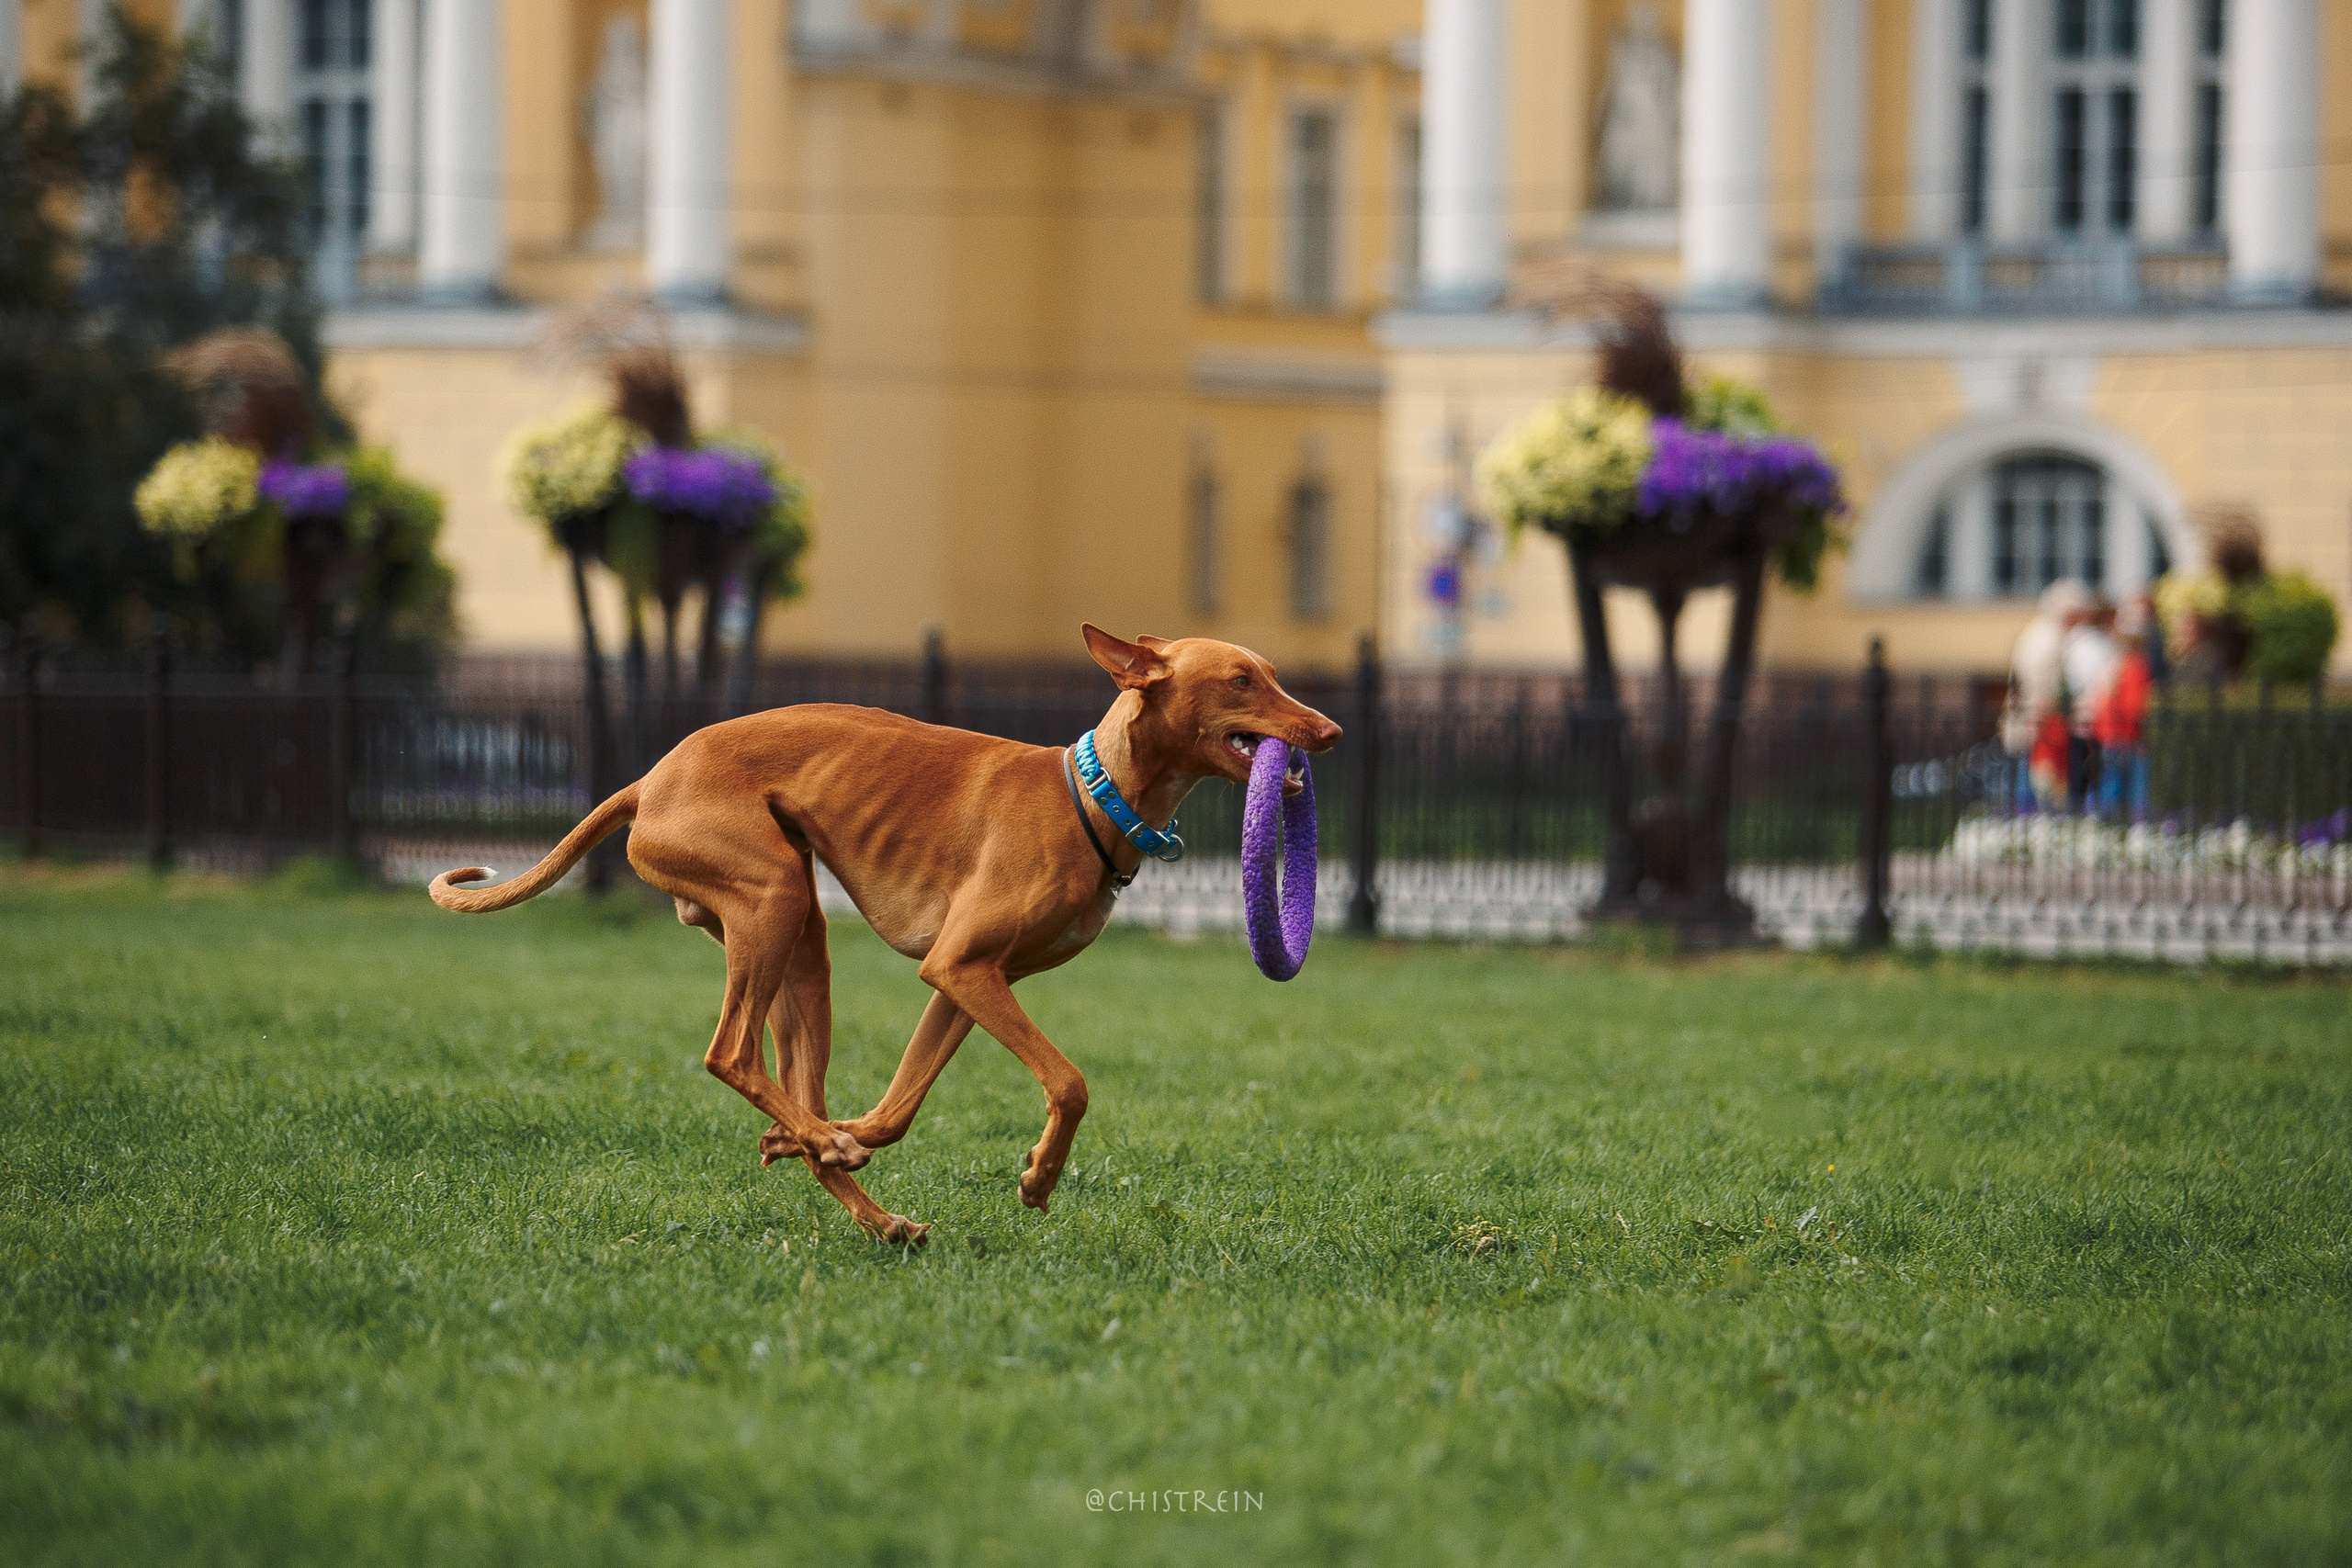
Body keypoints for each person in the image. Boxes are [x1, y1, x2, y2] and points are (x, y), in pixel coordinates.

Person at [2003, 580, 2092, 810]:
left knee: (2036, 774)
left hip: (2039, 718)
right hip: (2040, 720)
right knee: (2037, 776)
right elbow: (2041, 684)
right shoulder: (2046, 638)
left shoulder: (2044, 633)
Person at [2094, 595, 2155, 822]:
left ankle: (2111, 820)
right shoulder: (2135, 666)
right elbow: (2134, 705)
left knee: (2113, 782)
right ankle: (2127, 822)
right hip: (2125, 734)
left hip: (2113, 732)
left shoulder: (2118, 664)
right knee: (2132, 785)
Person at [2062, 594, 2120, 811]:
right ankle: (2086, 809)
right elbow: (2102, 681)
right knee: (2086, 768)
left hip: (2089, 712)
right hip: (2093, 713)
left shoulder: (2082, 642)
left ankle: (2084, 807)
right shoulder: (2092, 645)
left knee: (2086, 767)